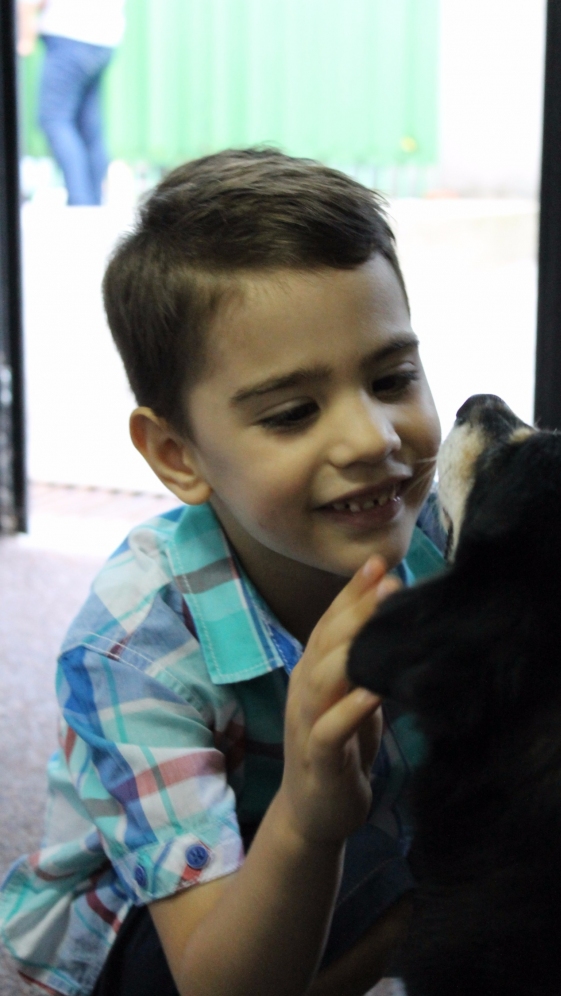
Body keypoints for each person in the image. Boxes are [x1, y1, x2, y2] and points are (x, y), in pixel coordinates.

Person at [0, 149, 445, 996]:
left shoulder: (447, 536)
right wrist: (310, 821)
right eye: (292, 413)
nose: (372, 439)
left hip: (376, 848)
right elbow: (215, 979)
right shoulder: (134, 652)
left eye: (392, 378)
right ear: (177, 455)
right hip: (170, 917)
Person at [17, 0, 126, 205]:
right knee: (88, 126)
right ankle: (92, 203)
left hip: (69, 37)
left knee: (53, 119)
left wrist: (25, 37)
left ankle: (80, 203)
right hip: (105, 38)